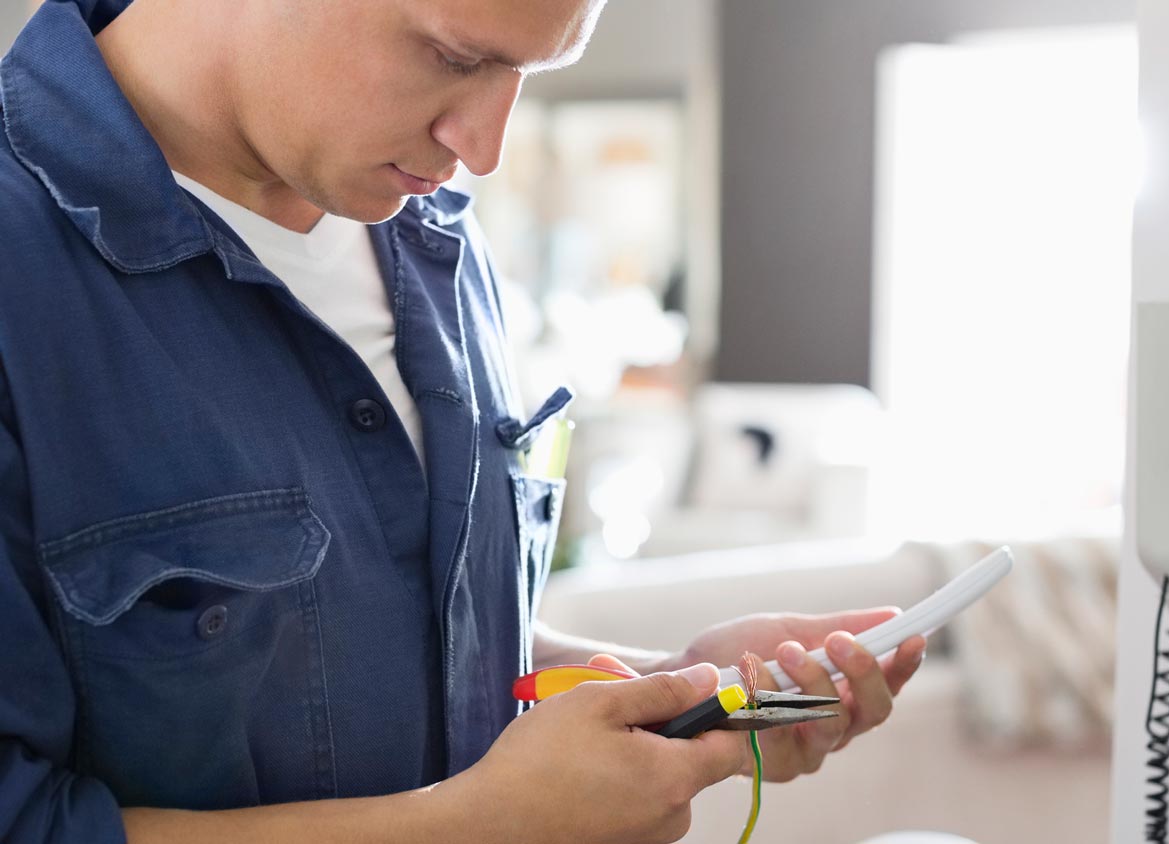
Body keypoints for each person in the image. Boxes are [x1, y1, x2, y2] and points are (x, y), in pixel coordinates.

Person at [0, 0, 928, 842]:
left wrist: (675, 684)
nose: (482, 147)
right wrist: (475, 828)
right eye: (453, 56)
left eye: (529, 74)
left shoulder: (430, 226)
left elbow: (369, 635)